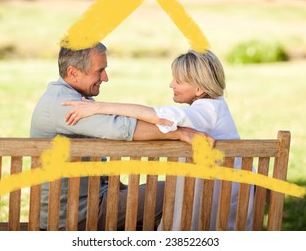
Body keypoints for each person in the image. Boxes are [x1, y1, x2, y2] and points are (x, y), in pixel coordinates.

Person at [62, 49, 255, 231]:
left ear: (198, 88)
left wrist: (98, 108)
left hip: (211, 217)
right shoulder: (215, 107)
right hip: (226, 211)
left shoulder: (205, 112)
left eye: (178, 81)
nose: (171, 84)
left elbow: (157, 116)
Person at [30, 42, 201, 231]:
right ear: (73, 73)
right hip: (73, 217)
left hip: (81, 207)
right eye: (99, 71)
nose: (105, 77)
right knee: (176, 189)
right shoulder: (65, 104)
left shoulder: (69, 98)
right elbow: (123, 128)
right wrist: (180, 133)